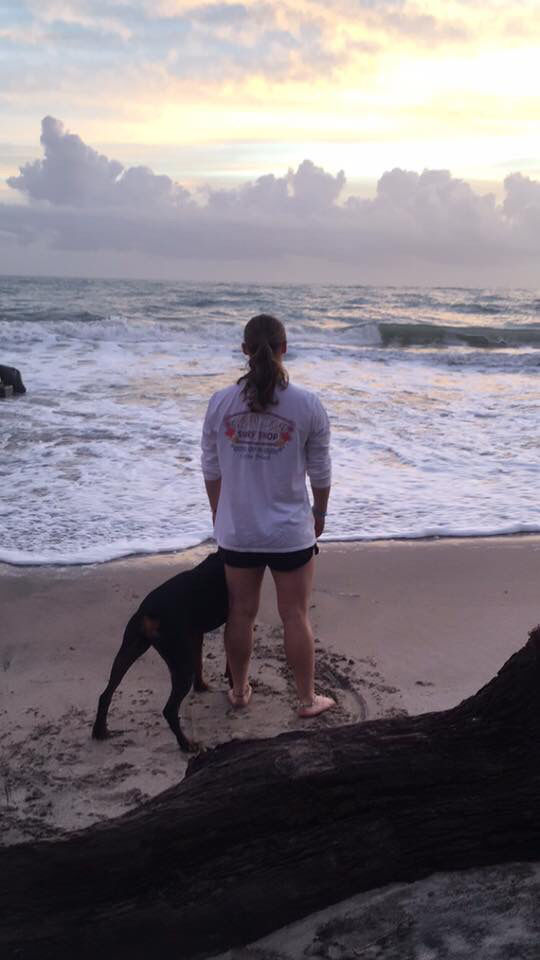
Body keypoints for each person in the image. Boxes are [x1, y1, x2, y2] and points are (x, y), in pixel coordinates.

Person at [201, 313, 335, 718]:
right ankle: (307, 699)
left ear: (245, 350)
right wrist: (320, 513)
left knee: (240, 613)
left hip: (239, 530)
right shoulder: (307, 404)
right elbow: (321, 472)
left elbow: (211, 467)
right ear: (284, 348)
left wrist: (220, 514)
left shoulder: (221, 402)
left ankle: (240, 690)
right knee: (295, 614)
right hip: (289, 532)